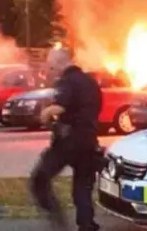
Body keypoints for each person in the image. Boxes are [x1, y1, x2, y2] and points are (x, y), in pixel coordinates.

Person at [30, 47, 102, 231]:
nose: (50, 71)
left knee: (40, 179)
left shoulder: (67, 81)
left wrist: (44, 114)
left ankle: (57, 221)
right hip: (89, 141)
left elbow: (59, 107)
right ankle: (87, 225)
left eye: (52, 67)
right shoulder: (91, 82)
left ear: (60, 64)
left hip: (68, 142)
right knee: (83, 187)